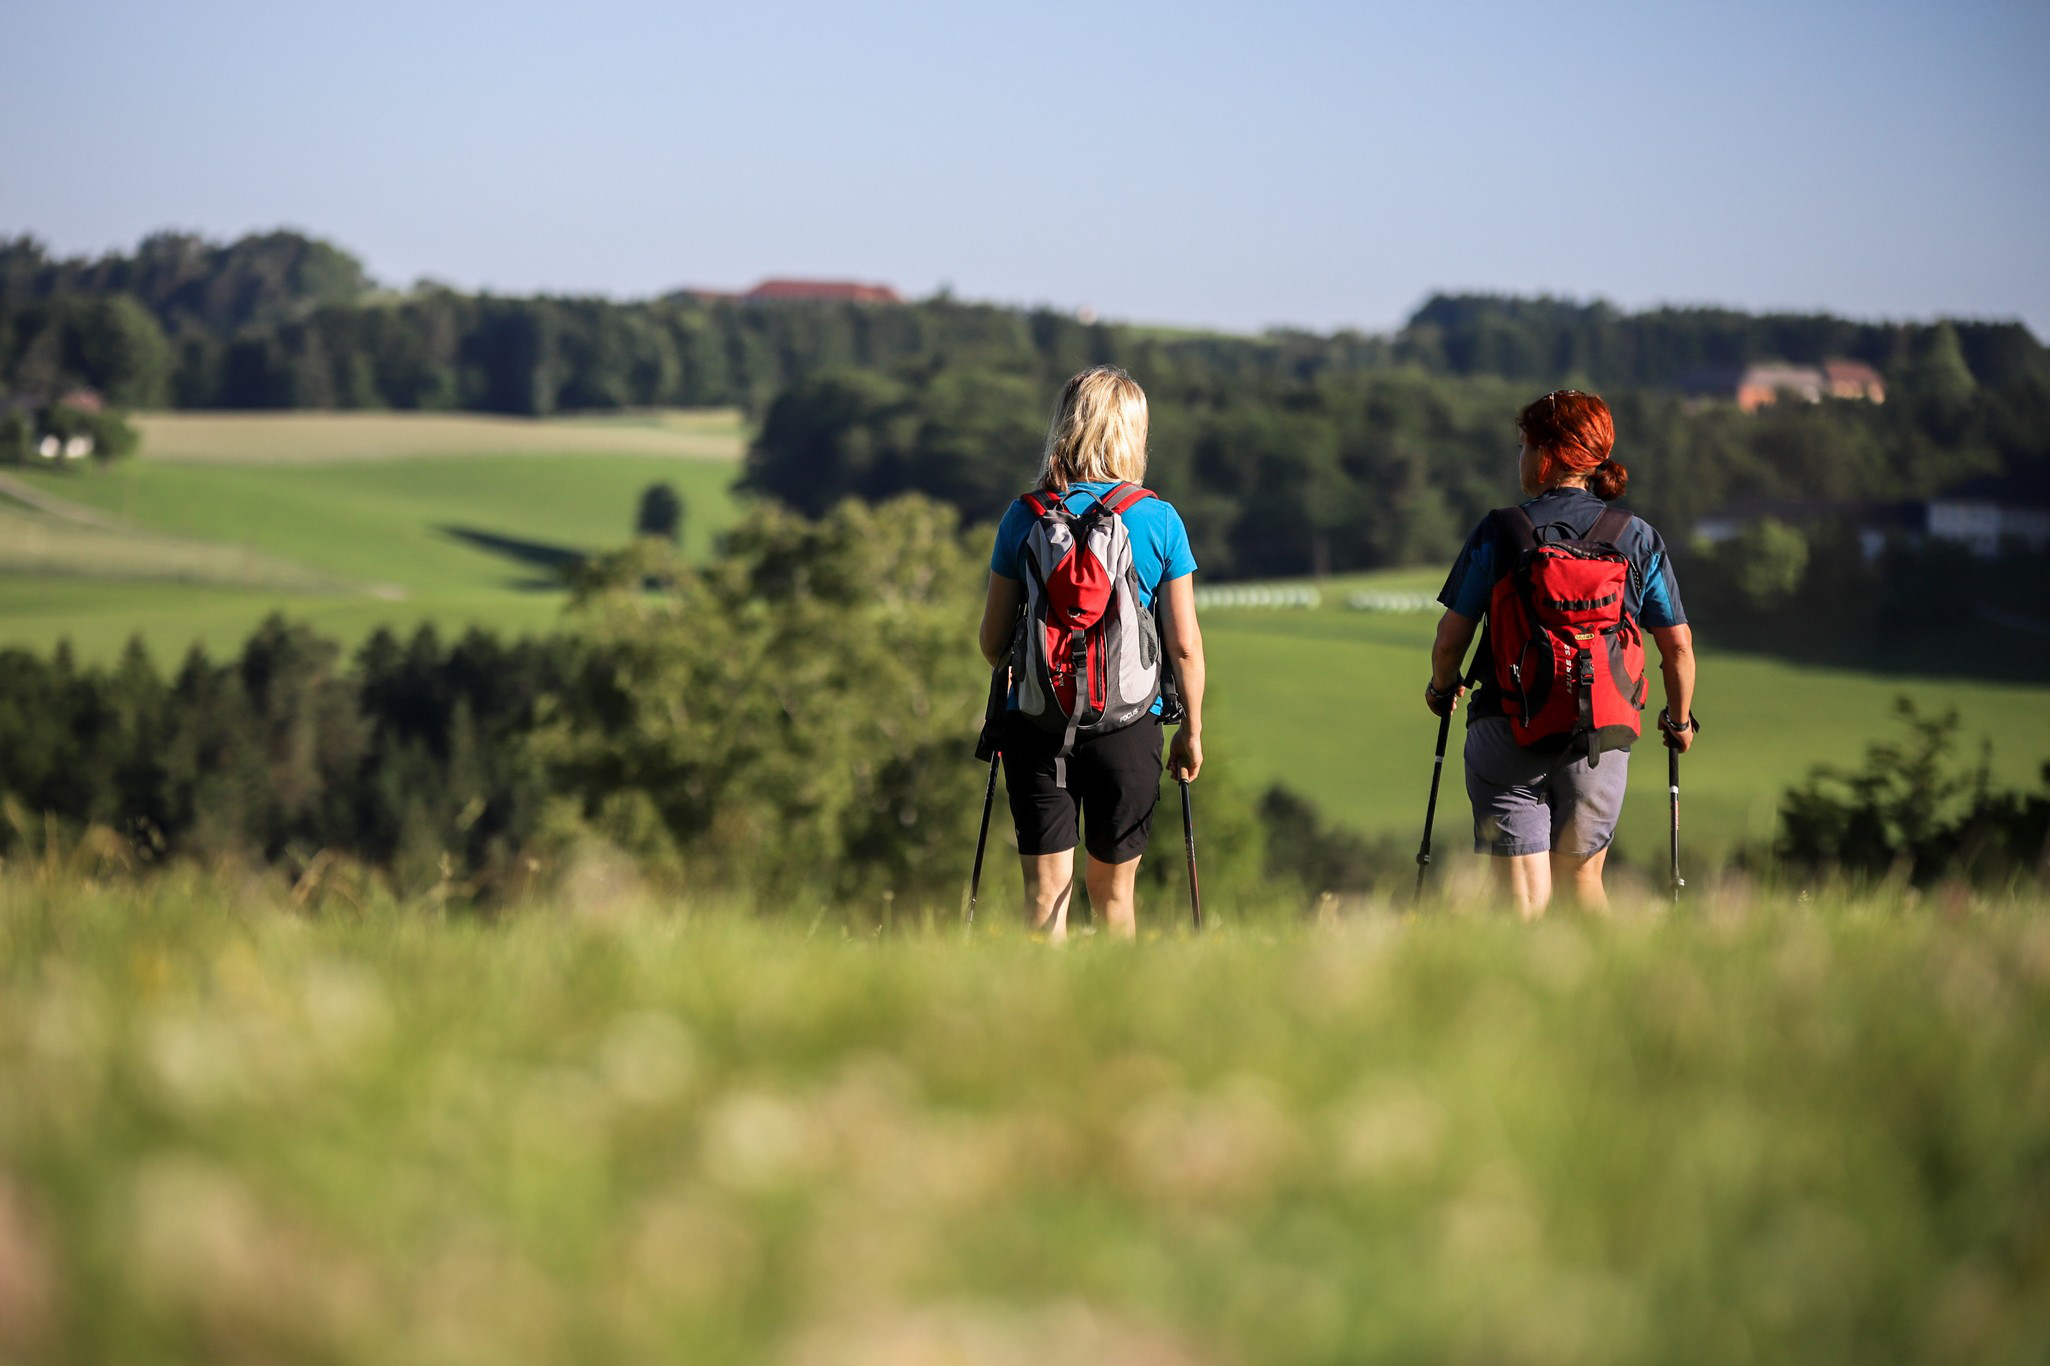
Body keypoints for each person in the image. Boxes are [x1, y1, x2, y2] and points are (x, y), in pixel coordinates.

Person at [1425, 389, 1697, 916]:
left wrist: (1442, 688)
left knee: (1522, 899)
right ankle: (1611, 972)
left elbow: (1450, 638)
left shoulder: (1500, 531)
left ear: (1547, 455)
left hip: (1507, 724)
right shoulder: (1637, 537)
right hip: (1600, 733)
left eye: (1524, 447)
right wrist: (1680, 721)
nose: (1520, 458)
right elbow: (1678, 649)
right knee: (1583, 881)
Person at [978, 366, 1204, 940]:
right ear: (1134, 434)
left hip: (1037, 723)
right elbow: (1183, 645)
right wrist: (1192, 731)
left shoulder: (1024, 516)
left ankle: (1039, 998)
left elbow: (992, 642)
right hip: (1129, 726)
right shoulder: (1158, 519)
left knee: (1044, 893)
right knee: (1115, 896)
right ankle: (1116, 998)